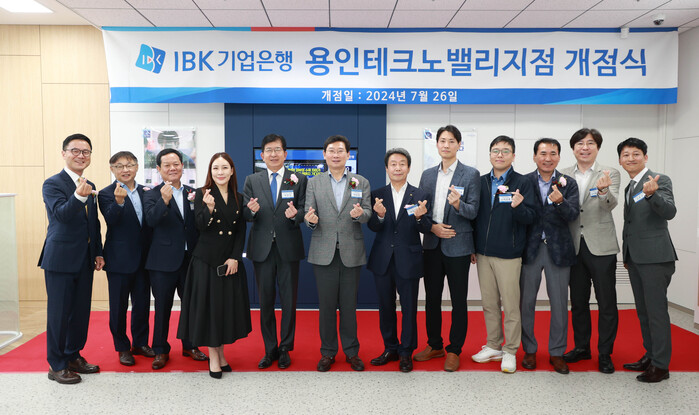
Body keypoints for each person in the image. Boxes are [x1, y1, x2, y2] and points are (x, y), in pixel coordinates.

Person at [178, 153, 252, 379]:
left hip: (229, 263)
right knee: (210, 310)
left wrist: (235, 257)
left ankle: (221, 354)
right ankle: (213, 358)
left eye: (224, 168)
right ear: (210, 172)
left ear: (232, 171)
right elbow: (199, 227)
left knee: (224, 310)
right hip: (207, 262)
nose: (220, 172)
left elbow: (240, 231)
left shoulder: (239, 197)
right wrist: (208, 209)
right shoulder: (201, 194)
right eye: (215, 168)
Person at [39, 133, 104, 384]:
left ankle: (73, 355)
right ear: (64, 153)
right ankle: (56, 365)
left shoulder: (89, 183)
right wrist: (78, 197)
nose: (81, 155)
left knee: (80, 312)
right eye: (75, 150)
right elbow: (61, 215)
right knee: (59, 314)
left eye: (86, 151)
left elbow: (93, 223)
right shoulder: (52, 184)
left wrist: (97, 251)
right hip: (60, 259)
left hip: (84, 259)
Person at [415, 124, 480, 372]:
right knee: (431, 299)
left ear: (459, 145)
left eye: (451, 141)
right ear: (437, 144)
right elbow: (422, 211)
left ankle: (454, 350)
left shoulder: (470, 174)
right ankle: (435, 345)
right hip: (432, 244)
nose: (446, 145)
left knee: (458, 301)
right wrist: (432, 228)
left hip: (458, 246)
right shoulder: (427, 175)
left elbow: (474, 212)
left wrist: (458, 205)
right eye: (442, 140)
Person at [304, 135, 371, 372]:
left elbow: (367, 212)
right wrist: (310, 220)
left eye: (340, 151)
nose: (335, 155)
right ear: (324, 155)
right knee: (326, 307)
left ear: (347, 155)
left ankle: (352, 352)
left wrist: (360, 215)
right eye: (331, 151)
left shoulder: (360, 181)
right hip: (324, 252)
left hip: (351, 251)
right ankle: (328, 352)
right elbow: (309, 214)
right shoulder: (314, 183)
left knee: (349, 306)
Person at [470, 136, 537, 374]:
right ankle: (493, 345)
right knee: (489, 303)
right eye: (496, 150)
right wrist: (473, 247)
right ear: (490, 155)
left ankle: (510, 350)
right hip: (483, 253)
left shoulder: (523, 182)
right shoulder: (479, 181)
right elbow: (474, 217)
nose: (500, 155)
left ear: (513, 156)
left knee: (510, 306)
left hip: (509, 254)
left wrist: (518, 207)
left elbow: (531, 217)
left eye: (505, 151)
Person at [243, 134, 307, 370]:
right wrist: (251, 211)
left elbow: (305, 209)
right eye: (269, 150)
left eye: (277, 150)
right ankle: (269, 348)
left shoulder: (298, 179)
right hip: (262, 249)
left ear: (285, 154)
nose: (273, 154)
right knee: (266, 301)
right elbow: (245, 213)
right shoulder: (252, 180)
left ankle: (285, 348)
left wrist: (297, 216)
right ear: (262, 155)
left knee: (289, 301)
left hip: (288, 247)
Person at [560, 128, 621, 374]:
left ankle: (605, 353)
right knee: (578, 302)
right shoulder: (563, 174)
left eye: (590, 143)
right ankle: (582, 347)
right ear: (573, 148)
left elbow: (611, 204)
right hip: (573, 246)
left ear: (597, 147)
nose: (584, 148)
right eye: (580, 144)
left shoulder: (609, 173)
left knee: (606, 302)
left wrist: (604, 190)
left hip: (601, 246)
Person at [617, 137, 677, 383]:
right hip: (636, 258)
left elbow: (670, 212)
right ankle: (650, 356)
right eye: (626, 155)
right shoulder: (630, 186)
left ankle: (661, 366)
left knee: (656, 313)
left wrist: (653, 196)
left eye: (636, 154)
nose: (631, 158)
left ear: (645, 157)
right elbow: (631, 223)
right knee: (643, 312)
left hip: (655, 258)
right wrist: (627, 255)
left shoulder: (659, 180)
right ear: (620, 160)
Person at [367, 148, 432, 373]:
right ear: (387, 168)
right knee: (385, 307)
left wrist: (420, 217)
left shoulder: (420, 194)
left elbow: (426, 227)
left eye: (402, 164)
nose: (397, 168)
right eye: (393, 164)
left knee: (409, 308)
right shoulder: (377, 194)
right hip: (382, 259)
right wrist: (379, 215)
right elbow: (372, 226)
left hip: (409, 259)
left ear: (409, 168)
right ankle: (390, 348)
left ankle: (406, 352)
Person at [144, 148, 207, 370]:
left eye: (176, 164)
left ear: (182, 166)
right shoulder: (151, 194)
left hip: (190, 260)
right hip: (162, 263)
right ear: (159, 169)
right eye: (167, 165)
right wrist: (164, 200)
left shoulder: (194, 193)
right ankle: (160, 350)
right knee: (162, 307)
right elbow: (150, 221)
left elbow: (199, 225)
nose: (172, 168)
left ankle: (190, 345)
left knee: (191, 306)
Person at [520, 138, 579, 374]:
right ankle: (529, 350)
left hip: (559, 250)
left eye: (553, 153)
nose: (547, 158)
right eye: (543, 153)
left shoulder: (568, 183)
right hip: (530, 249)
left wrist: (561, 202)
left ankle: (557, 352)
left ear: (559, 157)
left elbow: (573, 215)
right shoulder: (523, 181)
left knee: (559, 304)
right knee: (526, 302)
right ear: (534, 156)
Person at [98, 151, 154, 366]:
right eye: (119, 166)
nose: (125, 169)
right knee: (118, 307)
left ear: (137, 167)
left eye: (129, 165)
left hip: (144, 259)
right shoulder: (105, 193)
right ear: (112, 169)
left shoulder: (147, 191)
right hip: (119, 259)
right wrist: (119, 202)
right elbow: (111, 220)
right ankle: (122, 347)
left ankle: (140, 343)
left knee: (142, 305)